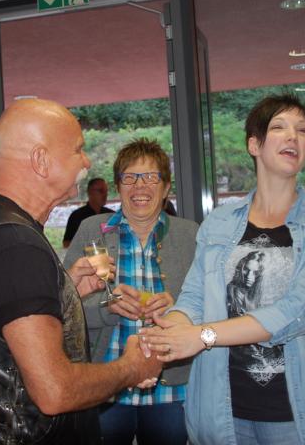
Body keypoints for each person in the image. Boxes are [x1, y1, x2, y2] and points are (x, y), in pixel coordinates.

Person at [0, 98, 162, 444]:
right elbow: (55, 391)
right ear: (41, 160)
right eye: (77, 149)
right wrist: (131, 368)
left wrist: (63, 291)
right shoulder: (15, 244)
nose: (86, 161)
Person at [140, 95, 305, 444]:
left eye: (302, 131)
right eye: (279, 127)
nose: (293, 136)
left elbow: (295, 314)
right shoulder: (219, 223)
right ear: (254, 145)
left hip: (291, 412)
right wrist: (165, 336)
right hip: (222, 410)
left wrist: (201, 336)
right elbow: (194, 297)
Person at [64, 138, 199, 445]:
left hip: (171, 386)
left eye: (151, 177)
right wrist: (107, 307)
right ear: (118, 186)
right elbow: (63, 306)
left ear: (166, 188)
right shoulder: (91, 230)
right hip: (105, 383)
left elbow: (210, 305)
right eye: (130, 177)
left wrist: (178, 309)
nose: (140, 186)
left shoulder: (190, 234)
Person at [62, 177, 114, 247]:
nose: (105, 194)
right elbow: (66, 243)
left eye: (106, 191)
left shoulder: (111, 215)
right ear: (90, 192)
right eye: (101, 191)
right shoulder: (76, 216)